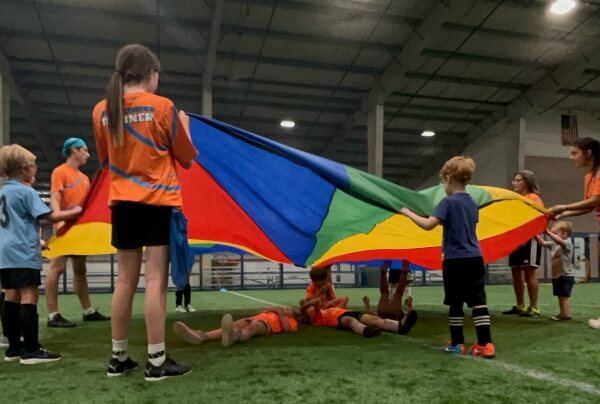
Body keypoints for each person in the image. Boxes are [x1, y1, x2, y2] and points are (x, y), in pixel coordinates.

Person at [92, 43, 198, 380]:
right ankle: (156, 361)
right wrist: (185, 125)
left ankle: (118, 358)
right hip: (157, 203)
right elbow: (187, 158)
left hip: (122, 203)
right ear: (150, 74)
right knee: (155, 282)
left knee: (123, 281)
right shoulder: (163, 107)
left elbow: (106, 162)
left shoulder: (102, 110)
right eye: (157, 76)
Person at [400, 156, 495, 358]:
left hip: (455, 260)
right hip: (476, 258)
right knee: (479, 301)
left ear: (449, 178)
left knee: (455, 301)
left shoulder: (447, 202)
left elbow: (428, 225)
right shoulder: (472, 203)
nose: (442, 185)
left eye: (442, 181)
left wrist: (407, 212)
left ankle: (457, 343)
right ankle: (485, 344)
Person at [0, 144, 82, 363]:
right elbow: (49, 216)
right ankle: (31, 349)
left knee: (10, 295)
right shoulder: (26, 191)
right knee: (29, 295)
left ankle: (14, 348)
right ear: (26, 168)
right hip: (23, 252)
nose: (36, 170)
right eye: (34, 166)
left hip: (5, 253)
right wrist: (75, 212)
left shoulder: (3, 191)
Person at [46, 137, 110, 328]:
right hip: (65, 226)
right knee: (57, 268)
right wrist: (58, 220)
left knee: (80, 270)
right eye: (84, 150)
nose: (88, 154)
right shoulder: (60, 172)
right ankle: (53, 315)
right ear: (74, 150)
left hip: (79, 229)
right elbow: (55, 198)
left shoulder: (84, 178)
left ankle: (88, 311)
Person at [548, 138, 600, 328]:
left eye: (574, 153)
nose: (572, 157)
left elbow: (594, 201)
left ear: (588, 153)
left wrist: (563, 206)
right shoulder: (589, 177)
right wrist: (563, 213)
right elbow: (589, 206)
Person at [503, 170, 544, 317]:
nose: (515, 183)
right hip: (516, 241)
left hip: (530, 240)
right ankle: (520, 305)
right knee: (515, 272)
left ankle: (534, 307)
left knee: (529, 272)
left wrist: (531, 235)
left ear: (527, 181)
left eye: (518, 180)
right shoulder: (515, 199)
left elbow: (538, 217)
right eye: (514, 180)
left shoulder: (534, 198)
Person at [172, 307, 300, 346]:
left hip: (267, 326)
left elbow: (287, 329)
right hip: (254, 319)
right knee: (236, 324)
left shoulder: (291, 321)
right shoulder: (272, 312)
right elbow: (263, 312)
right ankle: (202, 336)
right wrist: (272, 310)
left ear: (293, 314)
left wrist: (281, 314)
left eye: (288, 309)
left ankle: (235, 335)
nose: (285, 308)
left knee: (253, 328)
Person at [301, 298, 417, 337]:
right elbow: (317, 301)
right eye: (309, 309)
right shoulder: (315, 318)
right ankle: (366, 331)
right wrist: (306, 305)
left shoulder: (327, 310)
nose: (311, 309)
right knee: (350, 321)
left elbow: (344, 298)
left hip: (350, 312)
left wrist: (329, 303)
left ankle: (400, 327)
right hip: (339, 320)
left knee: (376, 320)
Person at [536, 222, 575, 321]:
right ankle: (562, 313)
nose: (553, 237)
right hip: (557, 275)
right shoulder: (554, 244)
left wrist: (548, 233)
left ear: (564, 234)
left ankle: (566, 314)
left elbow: (560, 241)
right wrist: (534, 235)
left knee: (564, 296)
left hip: (566, 275)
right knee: (560, 295)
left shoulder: (568, 243)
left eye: (555, 233)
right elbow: (543, 243)